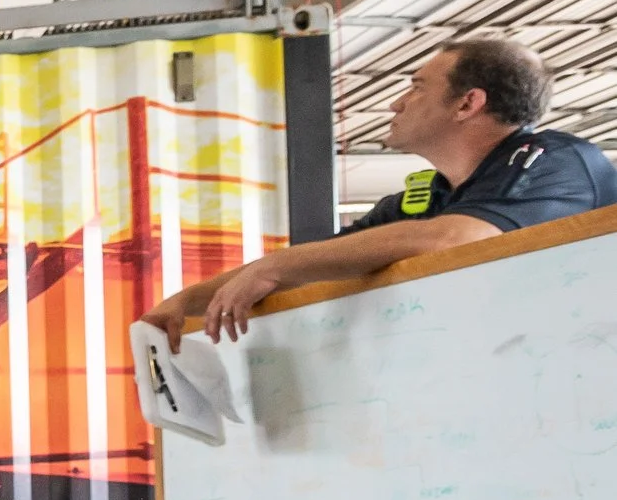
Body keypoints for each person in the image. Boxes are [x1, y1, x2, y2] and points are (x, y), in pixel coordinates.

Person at [140, 37, 617, 349]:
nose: (396, 102)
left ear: (468, 103)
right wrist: (185, 302)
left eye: (416, 87)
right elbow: (320, 260)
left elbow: (460, 240)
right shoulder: (424, 201)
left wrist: (274, 267)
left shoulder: (555, 160)